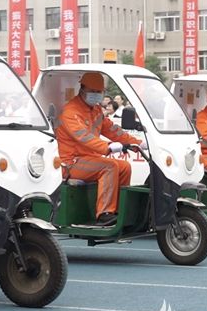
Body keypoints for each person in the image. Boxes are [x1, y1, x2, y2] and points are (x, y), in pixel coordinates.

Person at [56, 72, 146, 226]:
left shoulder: (96, 110)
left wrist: (138, 143)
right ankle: (104, 214)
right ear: (82, 89)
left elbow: (112, 130)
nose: (96, 95)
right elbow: (84, 137)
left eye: (99, 92)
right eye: (93, 91)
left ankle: (119, 211)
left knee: (125, 167)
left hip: (90, 159)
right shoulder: (70, 112)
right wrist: (108, 147)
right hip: (72, 163)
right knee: (109, 166)